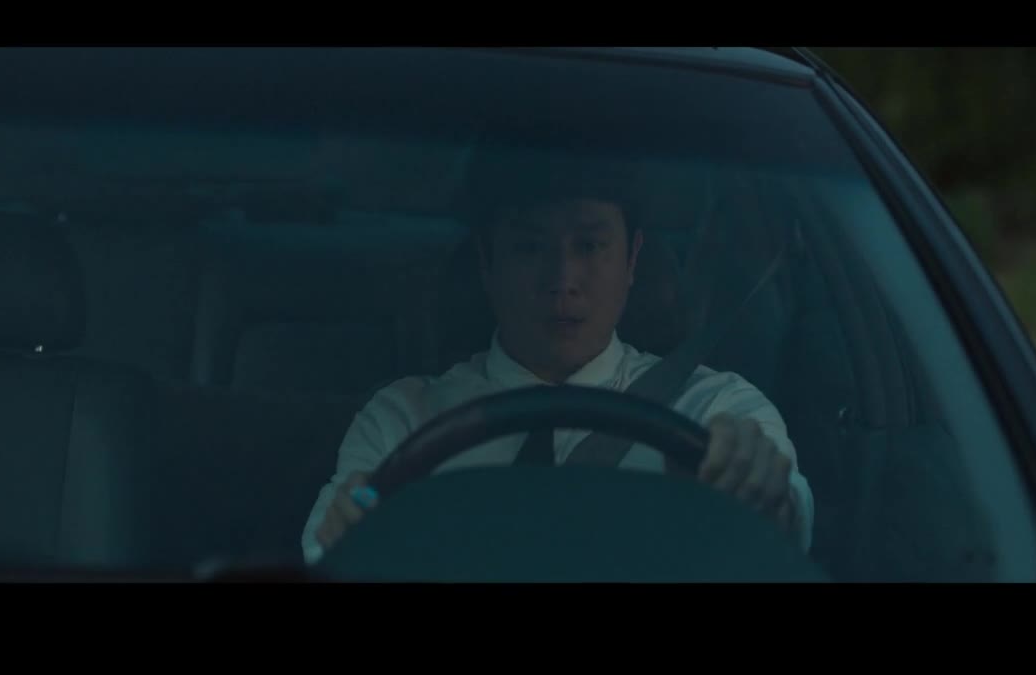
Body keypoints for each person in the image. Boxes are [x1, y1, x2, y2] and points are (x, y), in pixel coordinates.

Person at [300, 146, 815, 566]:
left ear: (632, 259)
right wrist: (353, 533)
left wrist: (756, 486)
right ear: (486, 261)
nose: (562, 280)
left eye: (589, 246)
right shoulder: (404, 420)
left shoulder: (711, 409)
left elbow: (785, 519)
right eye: (529, 247)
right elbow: (328, 548)